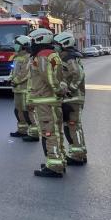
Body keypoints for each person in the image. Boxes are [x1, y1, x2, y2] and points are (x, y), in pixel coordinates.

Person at [29, 28, 68, 178]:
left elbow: (49, 78)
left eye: (33, 41)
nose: (31, 44)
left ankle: (54, 166)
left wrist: (58, 90)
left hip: (46, 100)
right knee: (56, 132)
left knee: (49, 132)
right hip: (51, 100)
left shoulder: (43, 56)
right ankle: (59, 160)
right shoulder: (51, 54)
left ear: (40, 40)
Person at [54, 31, 87, 166]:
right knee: (72, 126)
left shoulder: (69, 58)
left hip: (73, 98)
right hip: (71, 98)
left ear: (65, 44)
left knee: (73, 127)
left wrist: (70, 89)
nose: (55, 47)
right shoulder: (65, 57)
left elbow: (78, 75)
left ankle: (77, 156)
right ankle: (79, 153)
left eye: (57, 44)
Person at [9, 35, 33, 138]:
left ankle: (33, 133)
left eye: (16, 44)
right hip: (17, 89)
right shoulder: (17, 57)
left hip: (25, 89)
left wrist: (15, 81)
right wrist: (10, 78)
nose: (14, 46)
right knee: (18, 111)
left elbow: (25, 73)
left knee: (27, 111)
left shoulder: (28, 57)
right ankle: (22, 130)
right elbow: (13, 70)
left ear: (23, 46)